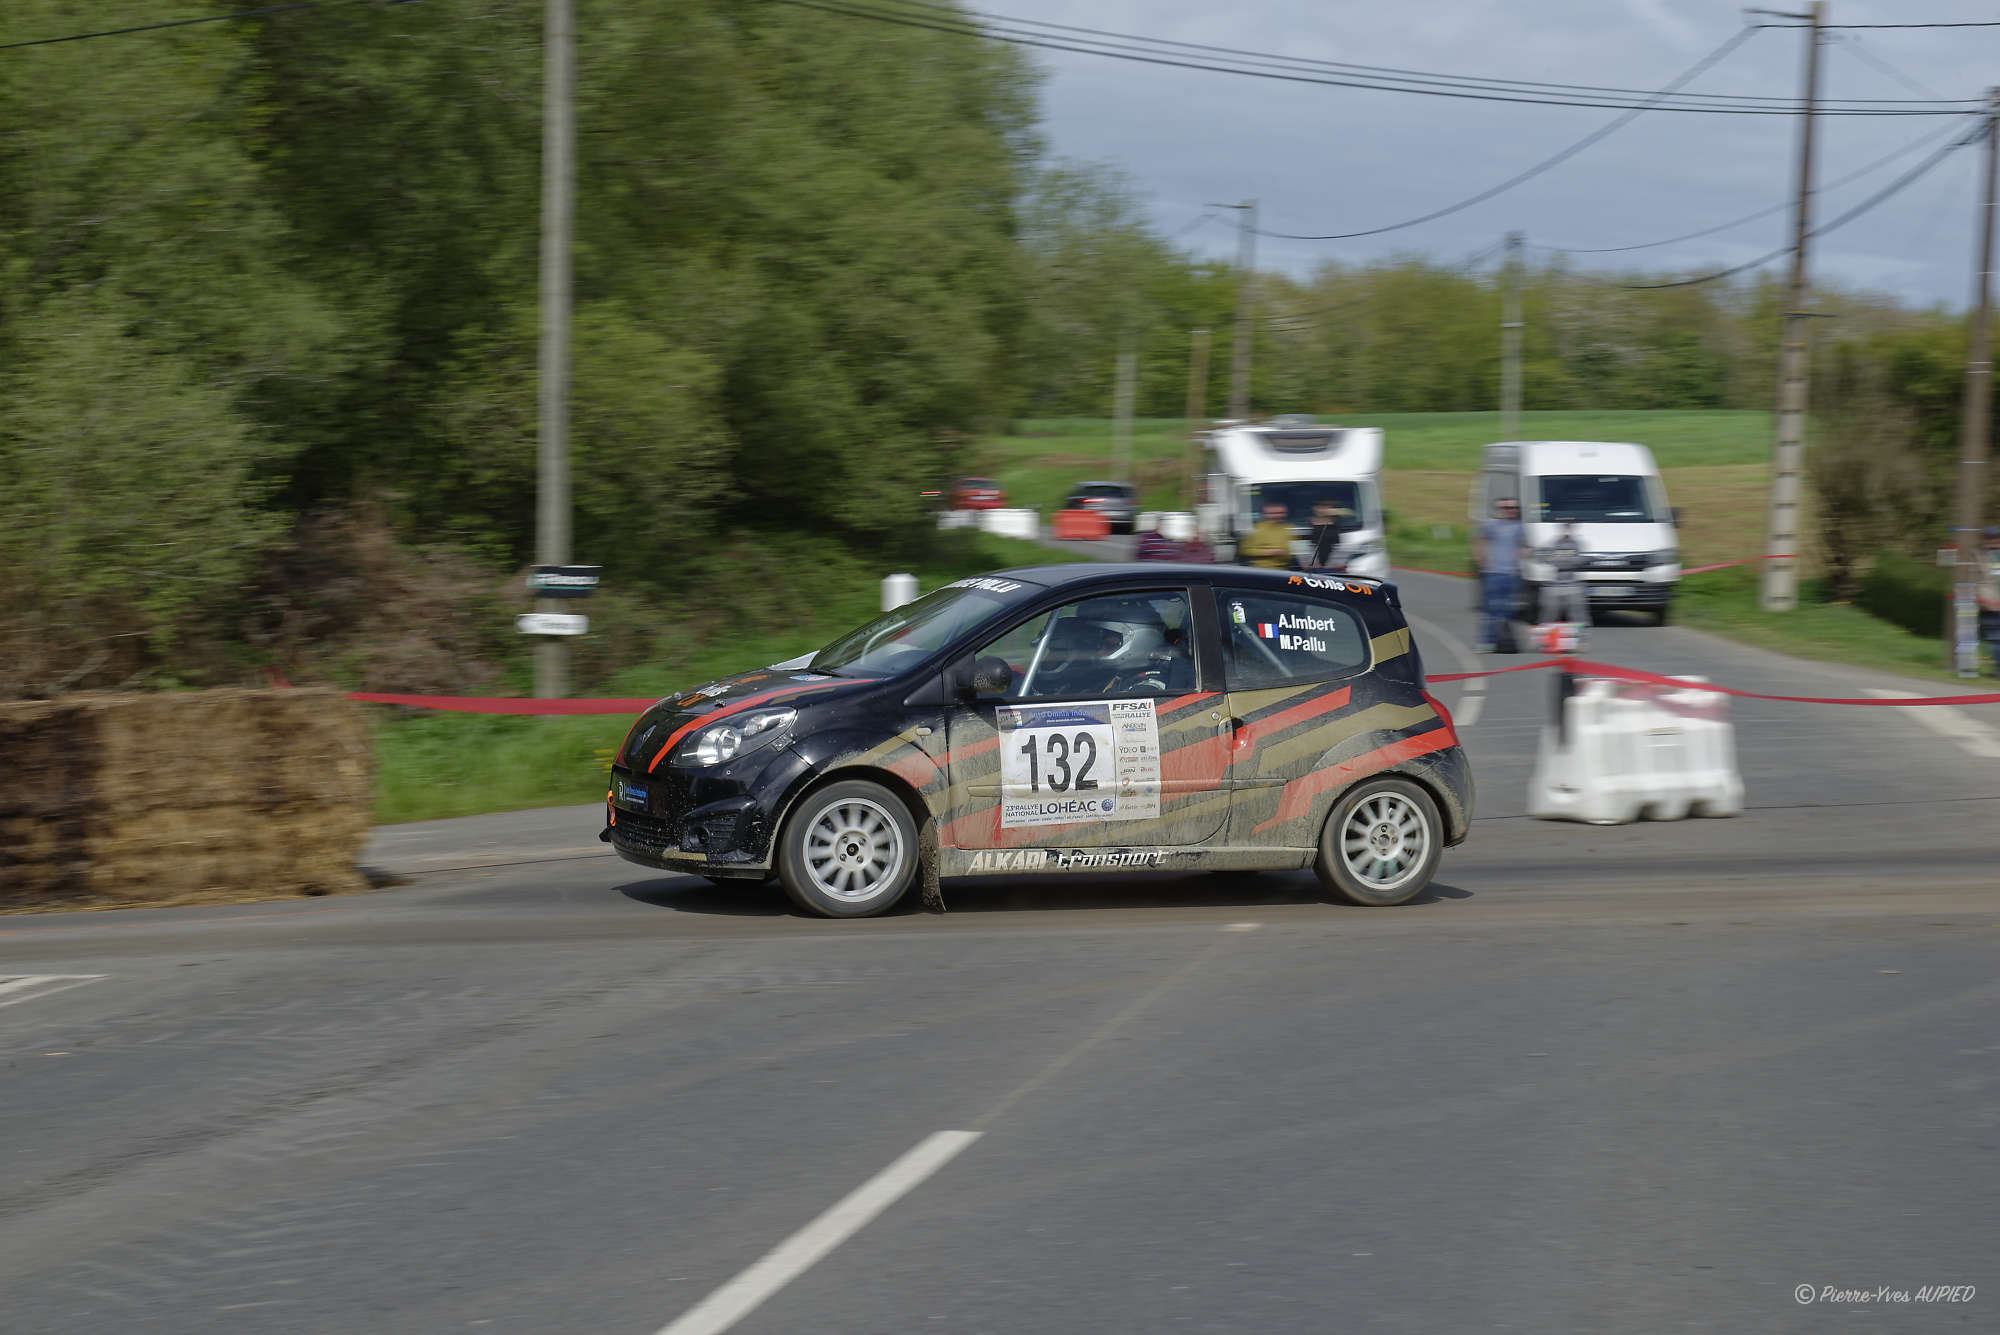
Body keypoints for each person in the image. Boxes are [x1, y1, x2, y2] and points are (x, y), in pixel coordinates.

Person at [1473, 497, 1527, 653]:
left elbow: (1521, 546)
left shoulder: (1519, 527)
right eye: (1506, 508)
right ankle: (1487, 641)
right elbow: (1481, 542)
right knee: (1490, 609)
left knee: (1509, 610)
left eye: (1513, 508)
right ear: (1499, 510)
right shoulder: (1490, 525)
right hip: (1493, 573)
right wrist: (1481, 560)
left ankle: (1505, 640)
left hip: (1511, 574)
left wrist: (1520, 559)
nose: (1510, 510)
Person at [1539, 519, 1589, 628]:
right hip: (1555, 584)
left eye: (1569, 527)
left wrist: (1562, 559)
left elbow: (1582, 559)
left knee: (1577, 615)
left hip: (1572, 584)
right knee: (1550, 613)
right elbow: (1545, 559)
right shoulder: (1553, 543)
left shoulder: (1577, 543)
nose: (1566, 530)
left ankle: (1580, 639)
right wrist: (1567, 560)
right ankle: (1547, 639)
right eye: (1564, 527)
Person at [1239, 499, 1295, 569]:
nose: (1278, 515)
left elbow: (1297, 549)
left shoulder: (1290, 528)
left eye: (1281, 512)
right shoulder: (1255, 528)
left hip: (1286, 569)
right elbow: (1244, 550)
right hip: (1261, 570)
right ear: (1264, 515)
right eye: (1273, 513)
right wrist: (1268, 552)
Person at [1306, 498, 1356, 570]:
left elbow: (1351, 513)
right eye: (1318, 507)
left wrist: (1335, 511)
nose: (1321, 510)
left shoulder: (1336, 522)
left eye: (1325, 507)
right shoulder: (1311, 522)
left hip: (1334, 563)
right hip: (1317, 564)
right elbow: (1312, 545)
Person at [1979, 526, 2000, 676]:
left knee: (1995, 638)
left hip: (1992, 606)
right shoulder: (1985, 556)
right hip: (1989, 605)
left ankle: (1998, 671)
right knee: (1994, 639)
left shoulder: (1989, 557)